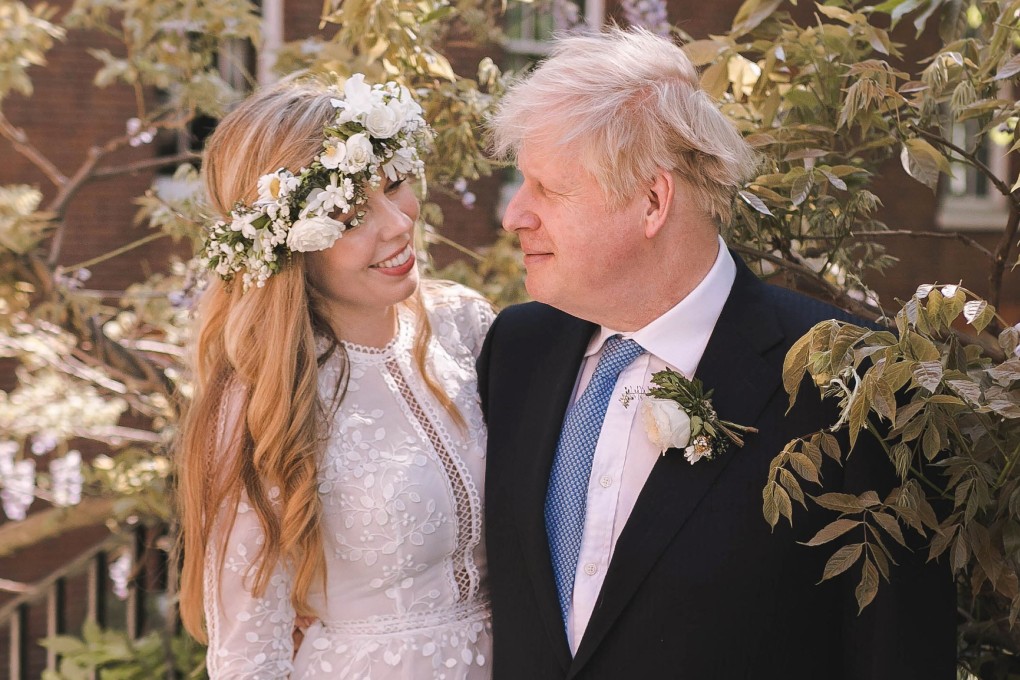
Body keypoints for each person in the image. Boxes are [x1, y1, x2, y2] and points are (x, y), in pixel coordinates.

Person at [478, 27, 956, 680]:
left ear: (652, 200)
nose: (515, 215)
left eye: (547, 189)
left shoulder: (850, 381)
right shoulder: (516, 351)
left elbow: (895, 654)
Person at [176, 73, 494, 679]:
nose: (398, 224)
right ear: (287, 244)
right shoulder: (263, 400)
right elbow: (250, 658)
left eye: (395, 184)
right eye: (349, 216)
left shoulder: (466, 325)